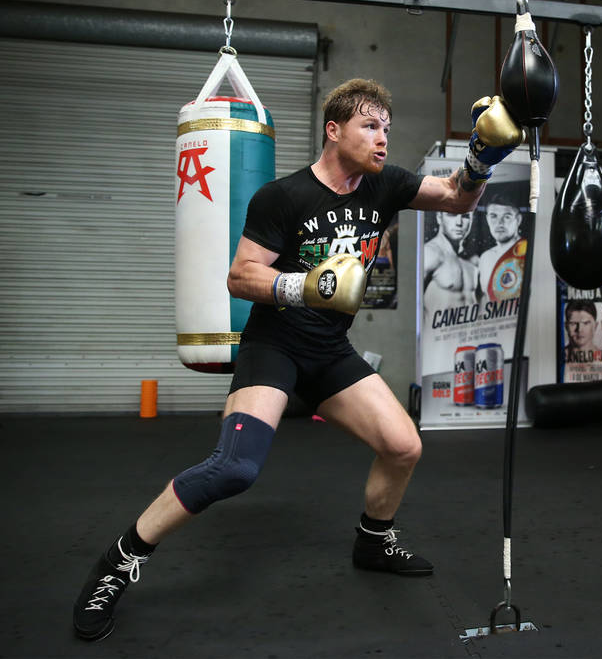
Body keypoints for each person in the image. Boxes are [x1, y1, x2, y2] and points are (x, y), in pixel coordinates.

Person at [72, 81, 525, 642]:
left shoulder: (386, 185)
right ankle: (115, 565)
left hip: (330, 353)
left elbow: (457, 198)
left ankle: (373, 538)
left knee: (404, 445)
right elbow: (241, 275)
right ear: (333, 131)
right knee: (234, 468)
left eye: (386, 126)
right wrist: (305, 286)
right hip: (275, 346)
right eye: (369, 126)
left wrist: (480, 160)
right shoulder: (282, 197)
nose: (383, 138)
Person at [422, 210, 480, 312]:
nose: (459, 223)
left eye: (466, 216)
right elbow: (407, 301)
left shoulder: (474, 261)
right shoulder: (430, 253)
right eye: (452, 215)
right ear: (439, 217)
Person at [477, 191, 524, 301]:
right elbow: (486, 298)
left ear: (518, 220)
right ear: (487, 219)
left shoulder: (529, 250)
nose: (499, 223)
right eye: (494, 216)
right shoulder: (485, 257)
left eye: (507, 217)